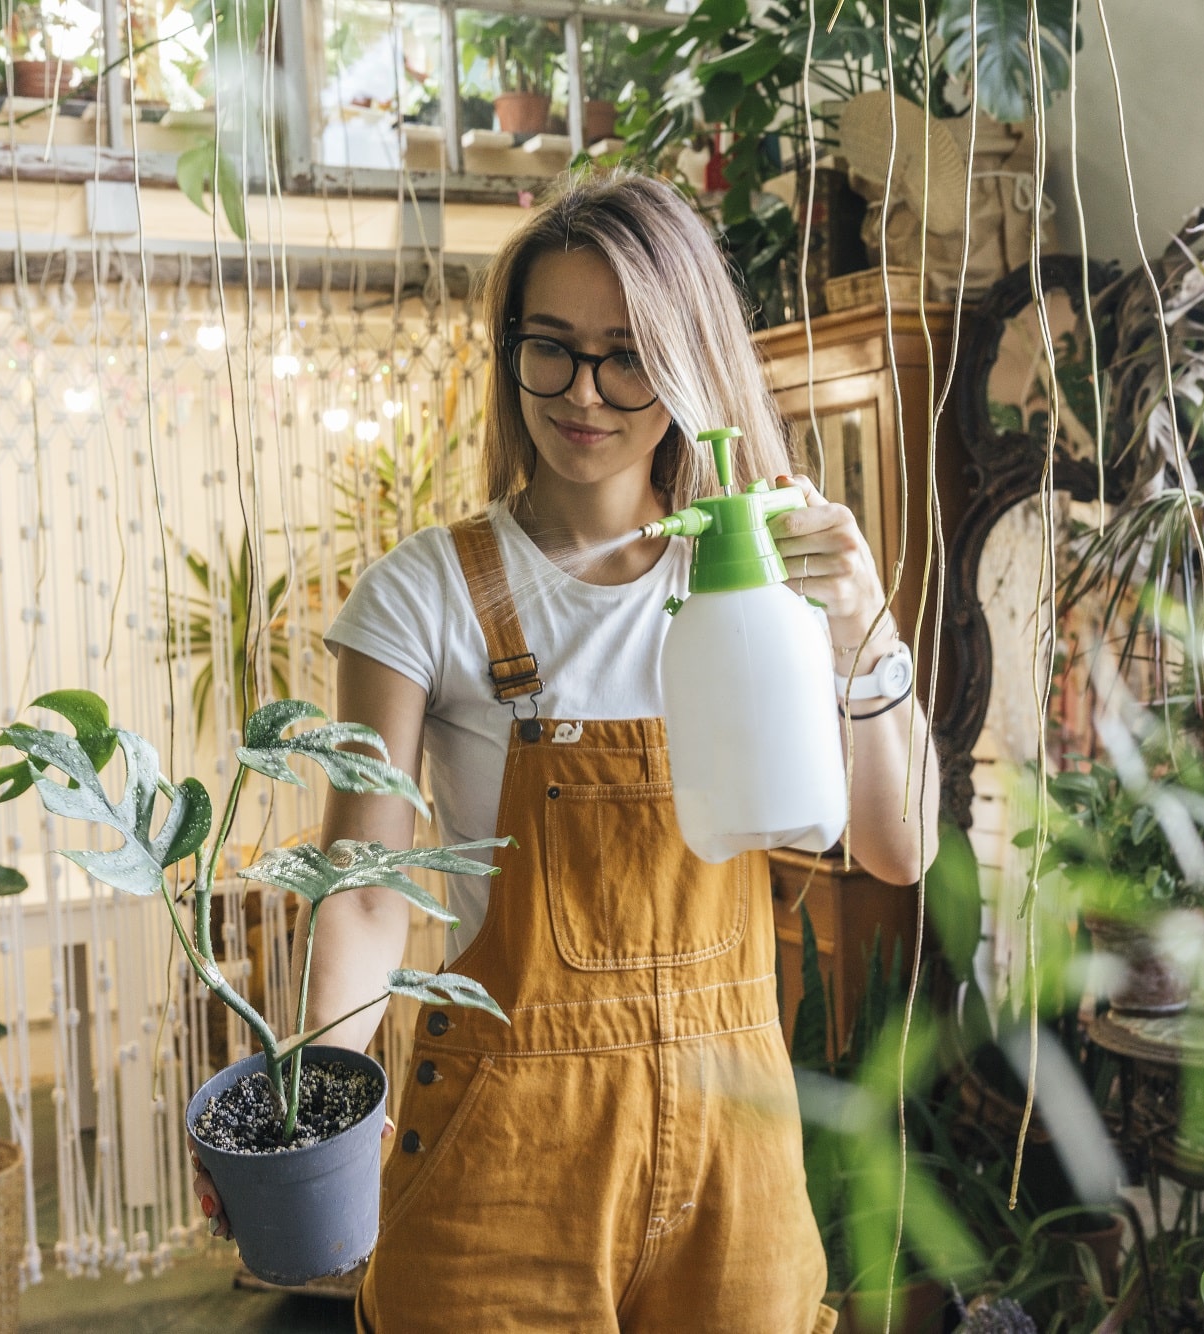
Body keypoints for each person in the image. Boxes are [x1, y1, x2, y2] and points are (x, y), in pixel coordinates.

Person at [196, 169, 940, 1332]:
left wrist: (862, 623)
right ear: (508, 354)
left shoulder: (769, 572)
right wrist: (314, 1098)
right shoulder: (426, 594)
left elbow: (895, 850)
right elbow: (364, 896)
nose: (583, 393)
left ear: (689, 361)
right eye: (549, 347)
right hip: (505, 1150)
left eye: (626, 353)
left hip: (732, 1154)